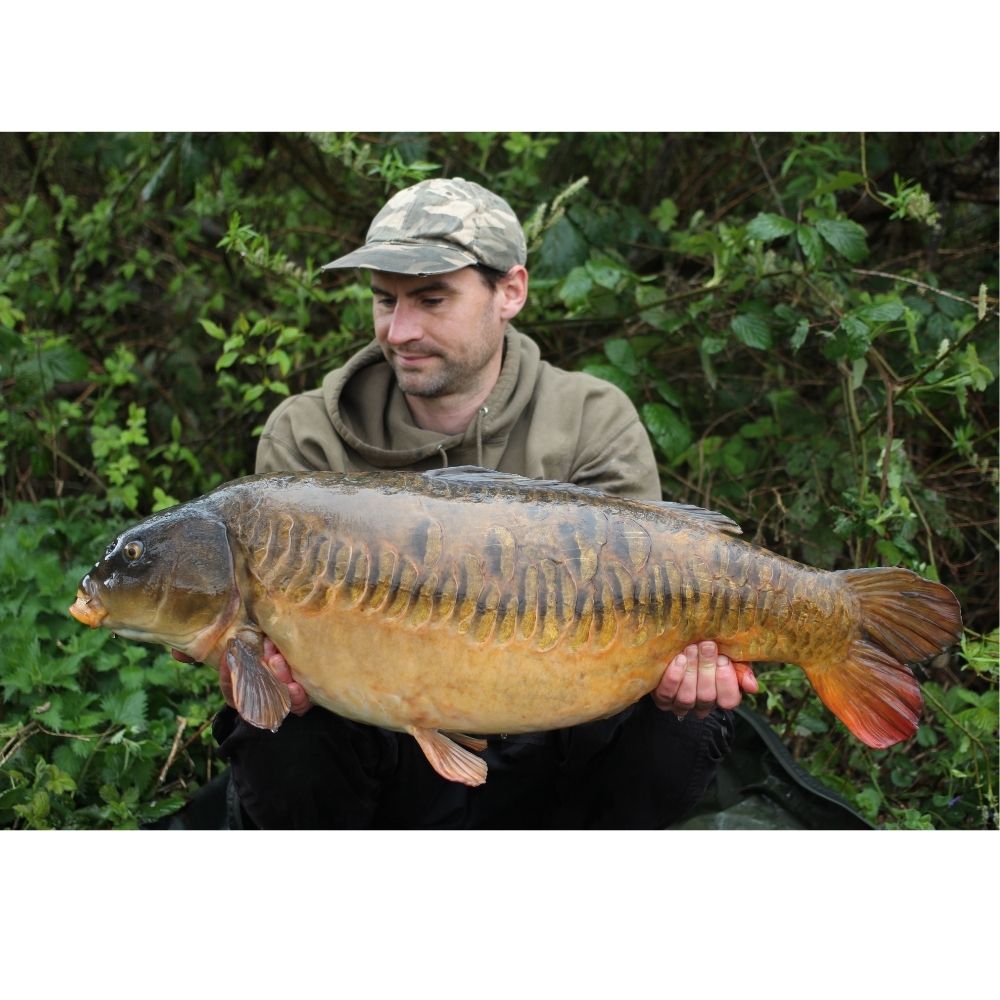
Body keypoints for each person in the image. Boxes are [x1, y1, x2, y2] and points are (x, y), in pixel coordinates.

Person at [207, 177, 759, 829]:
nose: (400, 331)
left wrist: (679, 679)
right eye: (385, 300)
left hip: (559, 727)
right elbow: (267, 640)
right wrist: (268, 676)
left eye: (431, 299)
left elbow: (641, 603)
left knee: (687, 722)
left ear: (511, 291)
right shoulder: (308, 436)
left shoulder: (591, 420)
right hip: (381, 740)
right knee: (273, 729)